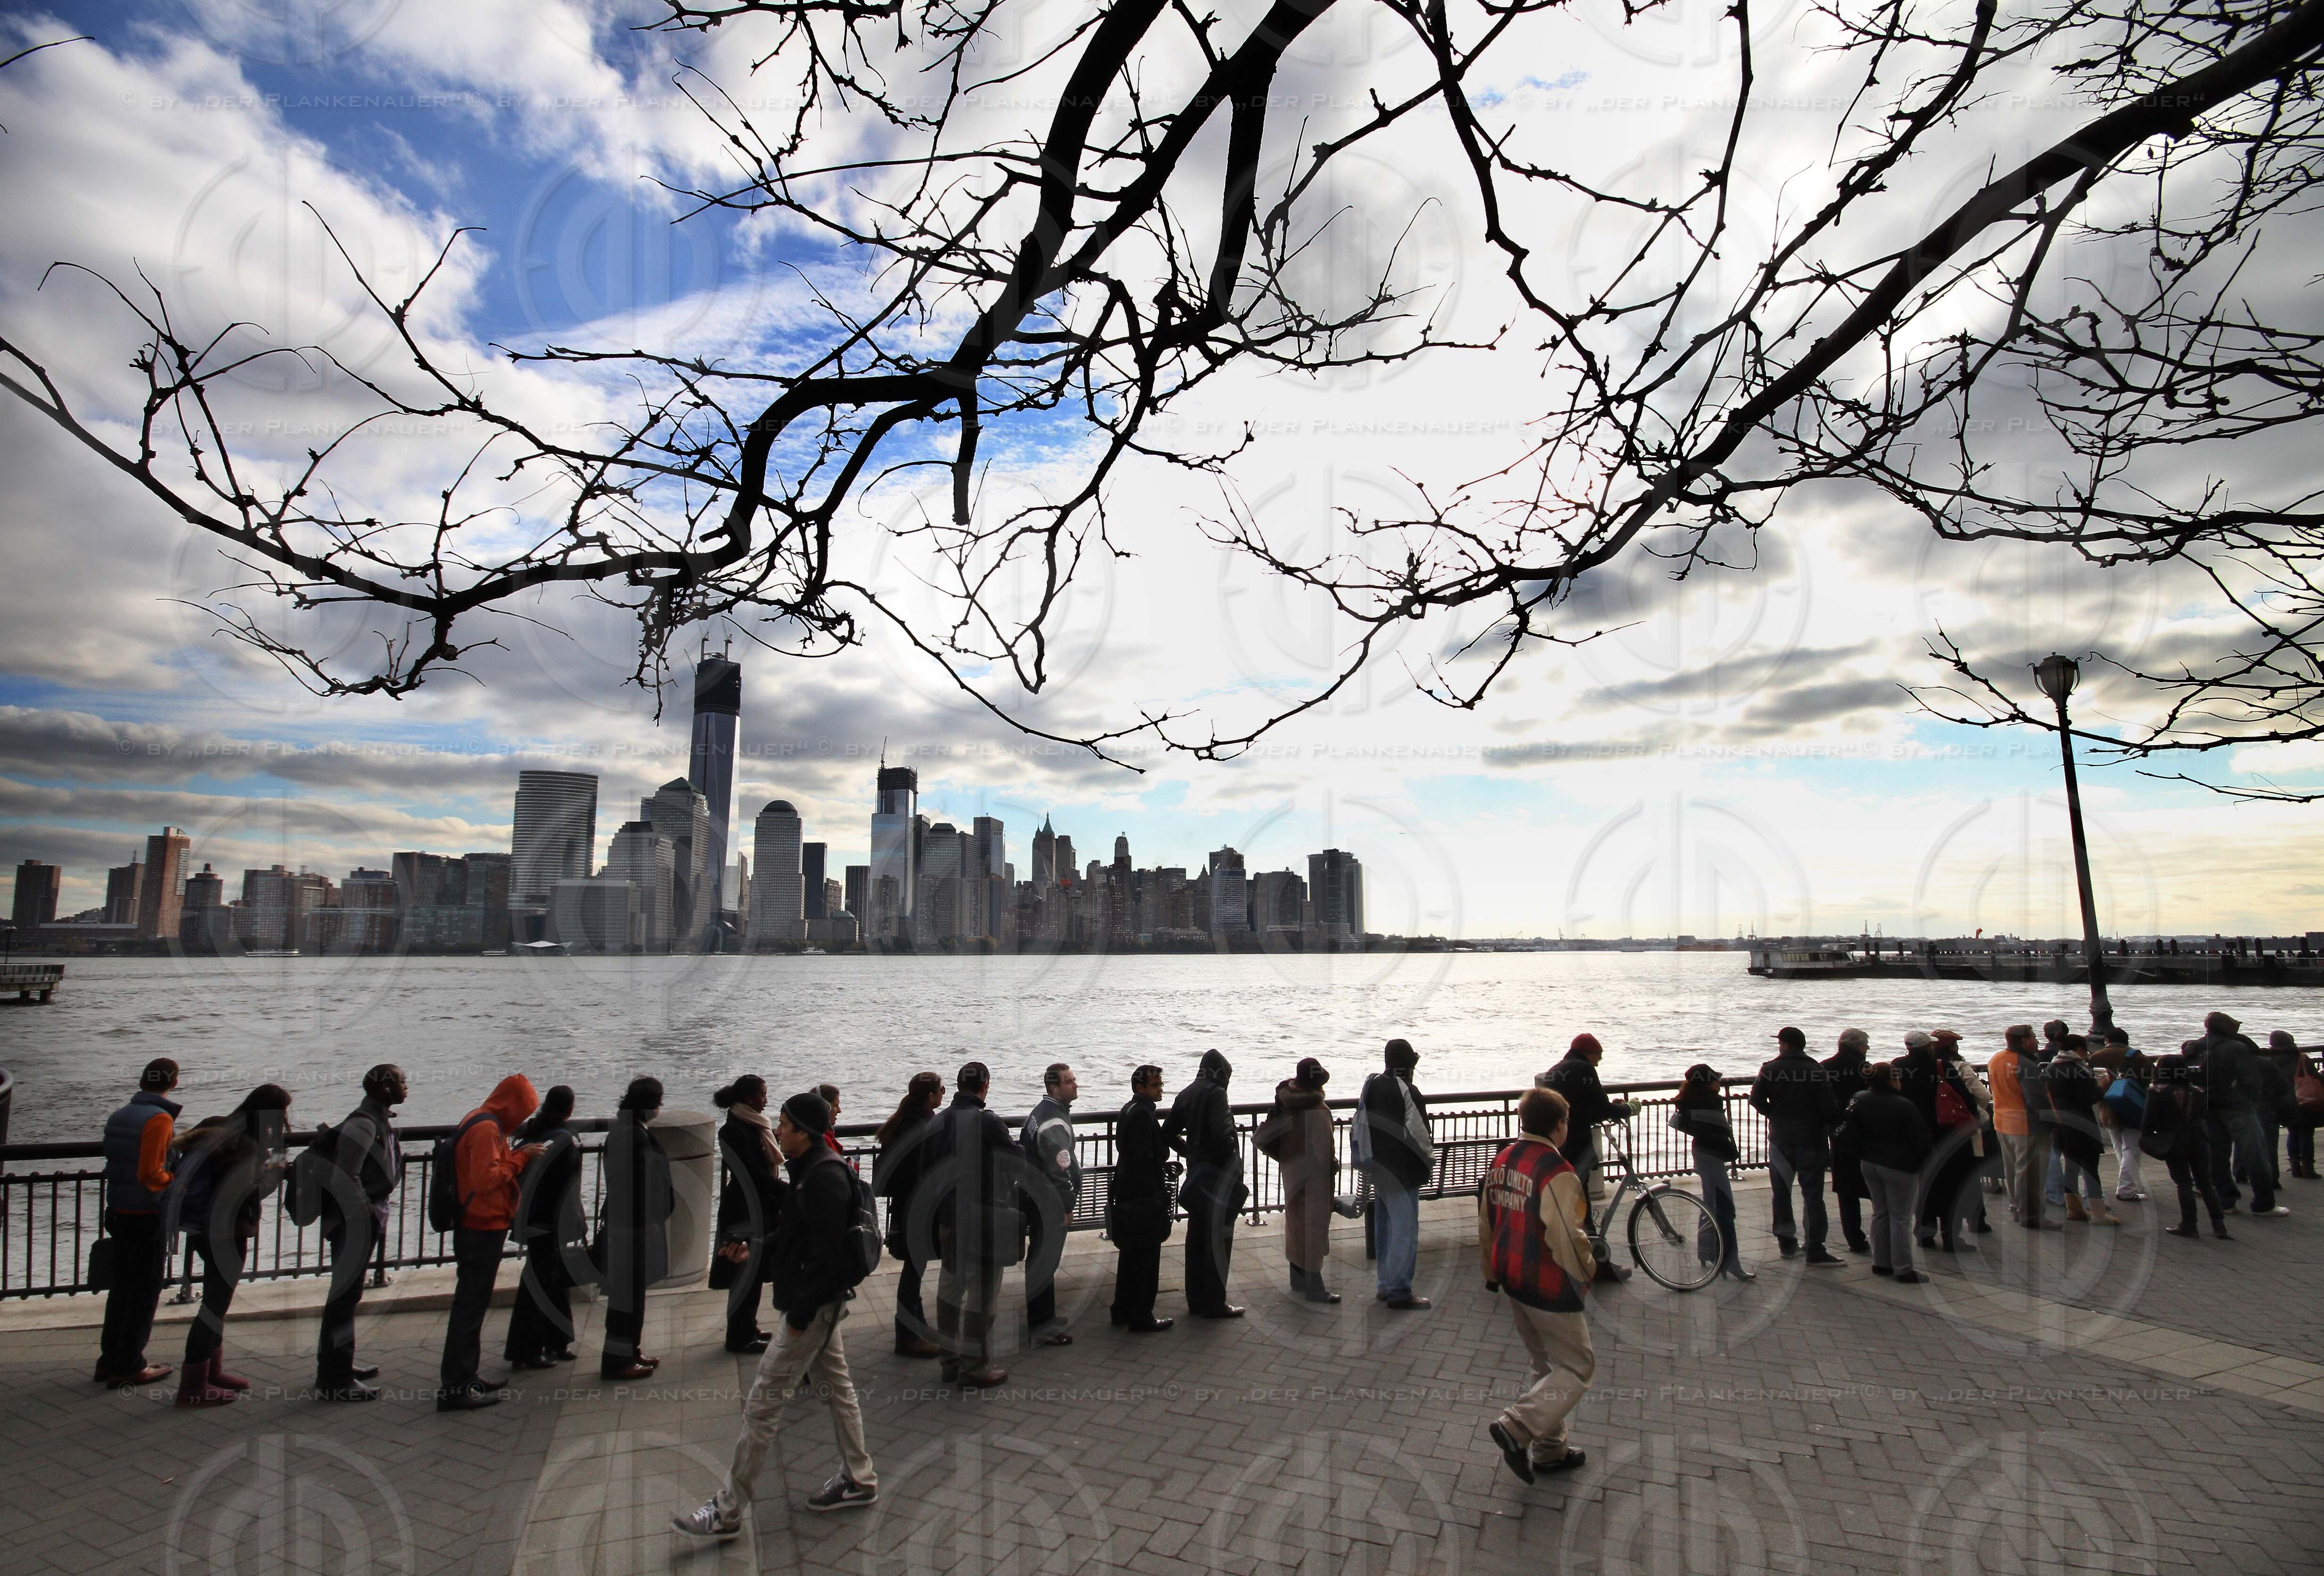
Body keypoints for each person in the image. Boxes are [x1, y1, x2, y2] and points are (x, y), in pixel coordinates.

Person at [674, 1091, 880, 1538]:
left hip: (810, 1311)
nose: (778, 1131)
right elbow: (797, 1243)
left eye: (784, 1125)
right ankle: (859, 1478)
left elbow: (824, 1258)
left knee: (762, 1405)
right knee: (838, 1389)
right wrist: (755, 1251)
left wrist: (800, 1316)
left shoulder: (822, 1178)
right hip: (820, 1307)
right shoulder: (812, 1170)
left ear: (803, 1133)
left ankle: (728, 1510)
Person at [1478, 1087, 1596, 1485]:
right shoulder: (1556, 1171)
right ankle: (1517, 1426)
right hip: (1547, 1283)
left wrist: (1491, 1273)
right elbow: (1566, 1235)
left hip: (1511, 1276)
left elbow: (1487, 1221)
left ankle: (1551, 1449)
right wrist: (1588, 1269)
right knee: (1577, 1366)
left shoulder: (1504, 1158)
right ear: (1559, 1125)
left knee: (1544, 1365)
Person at [166, 1084, 292, 1406]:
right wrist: (277, 1164)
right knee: (215, 1306)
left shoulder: (215, 1124)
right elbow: (253, 1191)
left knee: (215, 1300)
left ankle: (212, 1371)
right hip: (228, 1231)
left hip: (199, 1225)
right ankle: (193, 1385)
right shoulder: (246, 1147)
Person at [439, 1074, 542, 1410]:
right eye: (523, 1111)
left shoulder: (479, 1119)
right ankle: (456, 1386)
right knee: (470, 1307)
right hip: (482, 1226)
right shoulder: (487, 1129)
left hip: (479, 1224)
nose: (523, 1119)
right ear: (512, 1105)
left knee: (472, 1304)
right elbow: (486, 1178)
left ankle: (467, 1376)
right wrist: (522, 1157)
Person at [315, 1064, 405, 1401]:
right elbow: (345, 1175)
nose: (406, 1086)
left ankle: (338, 1365)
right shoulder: (365, 1123)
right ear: (385, 1088)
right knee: (344, 1298)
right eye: (401, 1081)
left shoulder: (376, 1120)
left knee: (347, 1297)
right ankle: (335, 1379)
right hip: (354, 1221)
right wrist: (365, 1213)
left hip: (361, 1218)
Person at [927, 1061, 1018, 1385]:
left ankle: (948, 1360)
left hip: (949, 1220)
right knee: (982, 1296)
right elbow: (1014, 1160)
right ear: (985, 1086)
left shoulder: (938, 1122)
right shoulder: (987, 1122)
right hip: (983, 1221)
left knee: (950, 1291)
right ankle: (974, 1366)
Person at [95, 1058, 182, 1389]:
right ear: (173, 1083)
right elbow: (150, 1174)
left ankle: (109, 1360)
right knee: (145, 1291)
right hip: (145, 1216)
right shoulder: (158, 1119)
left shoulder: (120, 1114)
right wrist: (174, 1180)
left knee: (121, 1287)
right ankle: (130, 1364)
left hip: (118, 1210)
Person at [1536, 1033, 1637, 1282]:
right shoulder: (1584, 1069)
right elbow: (1599, 1109)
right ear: (1589, 1053)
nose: (1598, 1063)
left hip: (1551, 1146)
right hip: (1575, 1147)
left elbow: (1579, 1105)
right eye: (1598, 1057)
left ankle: (1564, 1260)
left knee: (1566, 1203)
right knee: (1580, 1205)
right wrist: (1627, 1108)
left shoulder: (1556, 1070)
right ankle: (1595, 1265)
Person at [599, 1077, 676, 1380]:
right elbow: (645, 1184)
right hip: (633, 1228)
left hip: (627, 1224)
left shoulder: (623, 1130)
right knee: (627, 1298)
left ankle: (629, 1350)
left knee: (629, 1295)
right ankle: (618, 1360)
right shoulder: (634, 1136)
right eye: (657, 1102)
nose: (659, 1107)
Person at [506, 1085, 584, 1371]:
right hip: (551, 1224)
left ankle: (553, 1342)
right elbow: (565, 1190)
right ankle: (530, 1348)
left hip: (532, 1220)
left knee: (546, 1278)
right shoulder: (563, 1141)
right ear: (570, 1110)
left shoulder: (534, 1135)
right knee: (542, 1282)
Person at [1748, 1027, 1842, 1265]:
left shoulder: (1769, 1069)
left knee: (1781, 1193)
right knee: (1813, 1195)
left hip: (1780, 1139)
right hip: (1811, 1140)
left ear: (1786, 1045)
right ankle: (1815, 1249)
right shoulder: (1816, 1071)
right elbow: (1831, 1110)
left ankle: (1787, 1244)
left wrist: (1775, 1115)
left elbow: (1755, 1100)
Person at [1834, 1062, 1933, 1282]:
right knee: (1900, 1217)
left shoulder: (1859, 1098)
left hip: (1869, 1162)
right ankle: (1903, 1268)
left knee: (1880, 1212)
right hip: (1900, 1166)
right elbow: (1922, 1141)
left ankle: (1880, 1262)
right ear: (1892, 1081)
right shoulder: (1904, 1106)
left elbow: (1846, 1129)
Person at [1165, 1049, 1245, 1319]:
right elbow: (1224, 1137)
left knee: (1197, 1237)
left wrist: (1191, 1153)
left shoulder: (1185, 1094)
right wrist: (1231, 1163)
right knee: (1220, 1240)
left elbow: (1168, 1134)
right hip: (1219, 1179)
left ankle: (1196, 1300)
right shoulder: (1217, 1094)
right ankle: (1215, 1302)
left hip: (1197, 1176)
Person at [1356, 1039, 1435, 1310]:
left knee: (1386, 1228)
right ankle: (1401, 1291)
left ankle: (1384, 1285)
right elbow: (1420, 1136)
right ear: (1408, 1065)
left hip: (1379, 1169)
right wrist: (1428, 1163)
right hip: (1402, 1172)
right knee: (1405, 1230)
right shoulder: (1408, 1091)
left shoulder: (1373, 1084)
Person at [872, 1072, 945, 1357]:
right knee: (913, 1272)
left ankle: (917, 1327)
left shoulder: (903, 1122)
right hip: (919, 1210)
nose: (943, 1094)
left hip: (906, 1207)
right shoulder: (923, 1127)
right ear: (930, 1096)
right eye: (941, 1090)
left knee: (914, 1270)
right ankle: (908, 1335)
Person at [714, 1076, 784, 1356]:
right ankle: (739, 1336)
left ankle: (748, 1327)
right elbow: (754, 1175)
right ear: (750, 1098)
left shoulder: (750, 1125)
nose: (767, 1100)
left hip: (753, 1205)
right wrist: (788, 1193)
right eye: (764, 1095)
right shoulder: (735, 1131)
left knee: (752, 1271)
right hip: (745, 1210)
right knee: (745, 1272)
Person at [2195, 1010, 2285, 1218]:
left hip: (2208, 1108)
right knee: (2256, 1155)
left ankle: (2226, 1201)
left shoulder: (2195, 1047)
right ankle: (2264, 1204)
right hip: (2238, 1108)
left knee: (2217, 1156)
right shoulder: (2237, 1048)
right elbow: (2251, 1079)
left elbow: (2191, 1075)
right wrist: (2249, 1100)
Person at [1106, 1065, 1174, 1334]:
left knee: (1131, 1255)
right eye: (1156, 1085)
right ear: (1140, 1087)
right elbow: (1147, 1156)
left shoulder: (1129, 1110)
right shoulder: (1144, 1115)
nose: (1161, 1089)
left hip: (1127, 1192)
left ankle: (1122, 1309)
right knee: (1147, 1256)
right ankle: (1142, 1315)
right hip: (1144, 1196)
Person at [1667, 1064, 1749, 1280]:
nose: (1720, 1083)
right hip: (1712, 1156)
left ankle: (1706, 1252)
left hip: (1702, 1154)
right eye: (1716, 1080)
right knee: (1725, 1209)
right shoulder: (1707, 1103)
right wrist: (1728, 1147)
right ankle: (1730, 1261)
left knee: (1710, 1205)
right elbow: (1715, 1133)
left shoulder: (1692, 1101)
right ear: (1706, 1083)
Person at [1020, 1063, 1081, 1346]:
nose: (1075, 1085)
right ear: (1054, 1088)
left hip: (1035, 1198)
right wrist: (1066, 1206)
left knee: (1041, 1259)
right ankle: (1042, 1326)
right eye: (1069, 1082)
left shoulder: (1041, 1114)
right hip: (1049, 1203)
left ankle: (1042, 1317)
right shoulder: (1054, 1122)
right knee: (1045, 1260)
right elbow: (1059, 1169)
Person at [1272, 1057, 1341, 1303]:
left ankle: (1297, 1278)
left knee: (1296, 1225)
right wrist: (1333, 1166)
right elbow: (1322, 1151)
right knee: (1313, 1229)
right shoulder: (1318, 1111)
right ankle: (1315, 1287)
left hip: (1292, 1172)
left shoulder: (1287, 1103)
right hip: (1314, 1179)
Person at [2144, 1050, 2227, 1239]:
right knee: (2206, 1183)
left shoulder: (2157, 1092)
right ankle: (2219, 1225)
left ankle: (2190, 1225)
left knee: (2184, 1183)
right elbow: (2203, 1116)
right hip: (2199, 1138)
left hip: (2174, 1141)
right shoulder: (2198, 1092)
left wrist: (2151, 1142)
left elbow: (2148, 1124)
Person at [2044, 1035, 2119, 1225]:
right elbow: (2088, 1098)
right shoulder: (2077, 1070)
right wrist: (2102, 1086)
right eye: (2085, 1050)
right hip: (2082, 1125)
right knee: (2091, 1168)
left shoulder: (2052, 1067)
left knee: (2071, 1166)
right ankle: (2098, 1214)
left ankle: (2075, 1209)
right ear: (2078, 1050)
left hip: (2062, 1124)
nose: (2086, 1053)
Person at [1928, 1032, 1994, 1245]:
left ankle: (1929, 1229)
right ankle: (1977, 1220)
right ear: (1953, 1047)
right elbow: (1983, 1095)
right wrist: (1975, 1112)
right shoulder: (1961, 1067)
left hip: (1936, 1130)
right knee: (1969, 1175)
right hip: (1963, 1129)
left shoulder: (1925, 1068)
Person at [1987, 1025, 2054, 1230]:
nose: (2038, 1041)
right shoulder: (2025, 1065)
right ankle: (2032, 1216)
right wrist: (2051, 1121)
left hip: (2002, 1122)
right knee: (2031, 1175)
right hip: (2027, 1125)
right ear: (2024, 1041)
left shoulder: (1997, 1059)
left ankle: (2017, 1209)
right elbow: (2036, 1098)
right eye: (2034, 1037)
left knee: (2013, 1171)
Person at [1821, 1029, 1873, 1253]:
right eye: (1866, 1045)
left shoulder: (1824, 1066)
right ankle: (1883, 1232)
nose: (1868, 1049)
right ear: (1859, 1046)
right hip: (1866, 1132)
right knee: (1876, 1184)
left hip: (1838, 1132)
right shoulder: (1864, 1068)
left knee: (1846, 1188)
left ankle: (1854, 1238)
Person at [2092, 1027, 2149, 1201]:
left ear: (2107, 1040)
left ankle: (2132, 1184)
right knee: (2132, 1149)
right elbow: (2148, 1083)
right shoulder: (2139, 1058)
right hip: (2133, 1108)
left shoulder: (2095, 1058)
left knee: (2120, 1148)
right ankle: (2127, 1188)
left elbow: (2093, 1085)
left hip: (2108, 1109)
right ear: (2126, 1040)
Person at [2272, 1031, 2320, 1181]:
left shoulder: (2272, 1060)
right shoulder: (2301, 1058)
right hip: (2305, 1101)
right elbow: (2316, 1077)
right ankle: (2308, 1169)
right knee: (2306, 1134)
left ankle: (2295, 1167)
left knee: (2293, 1133)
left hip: (2284, 1102)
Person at [818, 1083, 849, 1160]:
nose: (839, 1111)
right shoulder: (821, 1142)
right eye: (835, 1106)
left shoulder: (822, 1138)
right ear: (824, 1108)